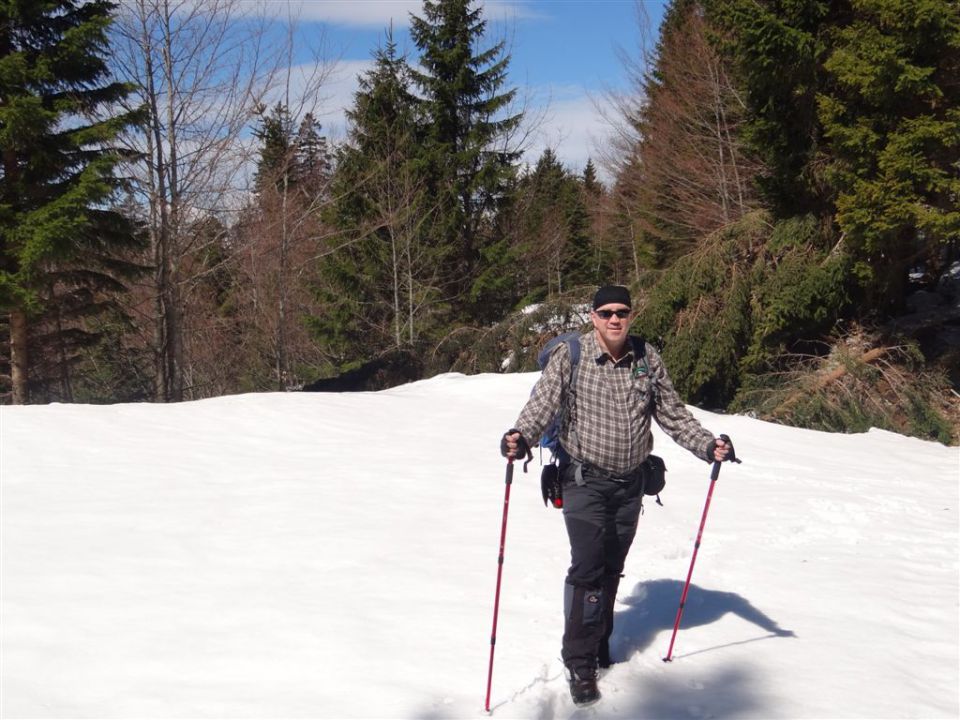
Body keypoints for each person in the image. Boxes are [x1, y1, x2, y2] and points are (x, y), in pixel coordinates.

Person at [500, 285, 732, 706]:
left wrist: (707, 446)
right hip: (584, 481)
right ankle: (580, 660)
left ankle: (598, 639)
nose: (614, 319)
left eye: (621, 312)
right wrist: (520, 437)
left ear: (631, 315)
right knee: (588, 568)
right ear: (592, 317)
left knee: (610, 568)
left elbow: (673, 414)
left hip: (631, 484)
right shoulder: (571, 356)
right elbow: (541, 405)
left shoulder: (646, 357)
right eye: (605, 312)